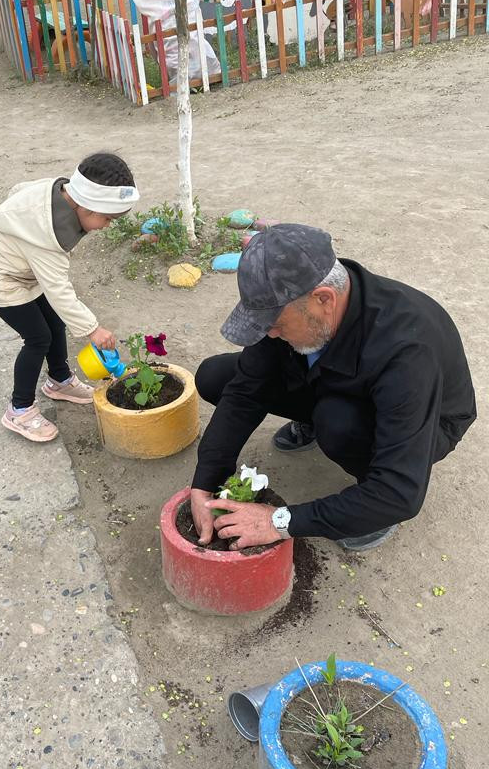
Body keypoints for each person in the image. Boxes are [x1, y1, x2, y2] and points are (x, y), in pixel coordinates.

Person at [191, 224, 476, 552]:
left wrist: (278, 522)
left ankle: (373, 512)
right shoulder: (297, 301)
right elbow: (245, 390)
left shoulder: (407, 350)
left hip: (428, 421)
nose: (269, 334)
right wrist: (205, 481)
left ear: (324, 299)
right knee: (217, 375)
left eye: (276, 324)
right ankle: (315, 422)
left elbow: (401, 492)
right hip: (335, 378)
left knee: (337, 423)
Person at [0, 152, 139, 443]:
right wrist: (92, 329)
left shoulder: (59, 191)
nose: (108, 226)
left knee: (54, 323)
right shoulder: (47, 236)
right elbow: (58, 289)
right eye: (107, 219)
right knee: (38, 338)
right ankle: (19, 409)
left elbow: (18, 190)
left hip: (24, 269)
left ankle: (59, 381)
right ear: (86, 205)